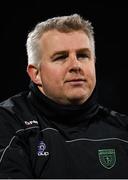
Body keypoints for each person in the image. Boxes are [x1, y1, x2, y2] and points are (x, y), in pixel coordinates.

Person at [0, 13, 128, 179]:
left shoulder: (122, 128)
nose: (75, 65)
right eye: (61, 57)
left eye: (83, 56)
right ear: (36, 74)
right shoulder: (8, 124)